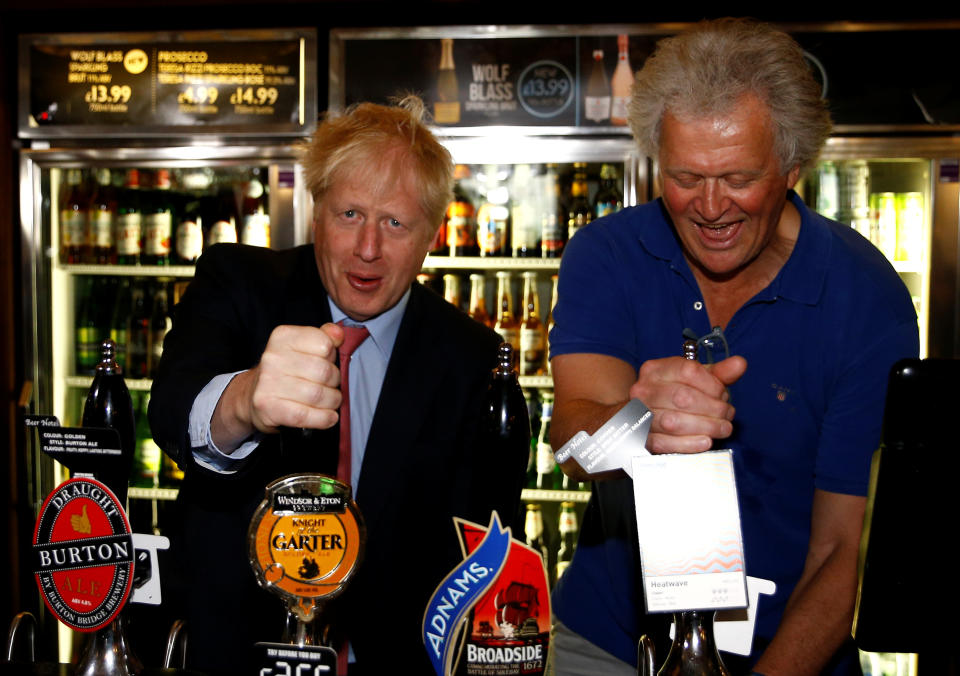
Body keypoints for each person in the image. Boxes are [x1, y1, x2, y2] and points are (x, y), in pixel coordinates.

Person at [547, 18, 919, 676]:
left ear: (793, 168)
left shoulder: (865, 298)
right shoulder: (605, 254)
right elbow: (573, 443)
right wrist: (636, 426)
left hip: (792, 648)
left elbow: (845, 551)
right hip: (608, 641)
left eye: (739, 178)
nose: (710, 207)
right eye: (686, 177)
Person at [148, 97, 526, 675]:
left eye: (395, 223)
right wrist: (245, 400)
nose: (368, 249)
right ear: (316, 209)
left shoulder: (473, 359)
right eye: (350, 214)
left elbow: (488, 544)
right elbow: (173, 409)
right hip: (231, 652)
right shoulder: (239, 283)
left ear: (432, 233)